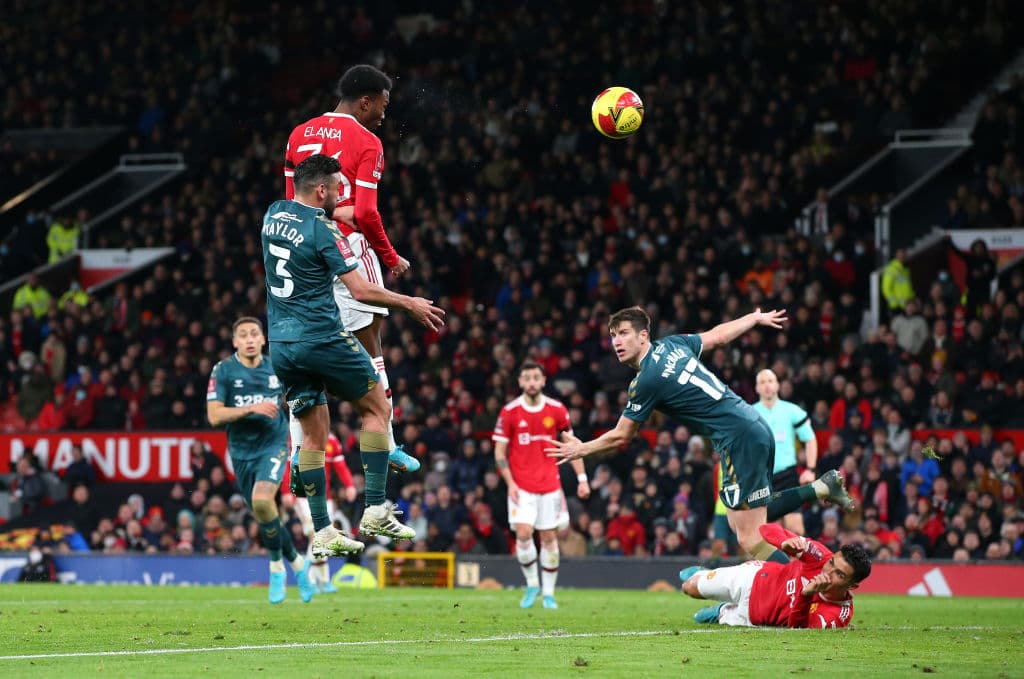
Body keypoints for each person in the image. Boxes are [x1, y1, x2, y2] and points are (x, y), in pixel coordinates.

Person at [547, 306, 854, 565]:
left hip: (737, 438)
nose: (617, 341)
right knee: (742, 519)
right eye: (613, 335)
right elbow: (718, 337)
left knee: (749, 535)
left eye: (624, 333)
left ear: (644, 335)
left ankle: (802, 586)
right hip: (753, 425)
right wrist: (752, 318)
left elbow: (622, 436)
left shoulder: (646, 380)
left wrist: (581, 449)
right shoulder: (672, 345)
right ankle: (820, 488)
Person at [261, 153, 444, 560]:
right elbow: (361, 291)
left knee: (313, 433)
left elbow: (313, 208)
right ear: (322, 190)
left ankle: (323, 531)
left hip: (283, 346)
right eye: (338, 189)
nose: (343, 195)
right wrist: (409, 302)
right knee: (377, 406)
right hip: (322, 339)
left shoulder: (272, 214)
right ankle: (376, 509)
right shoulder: (325, 232)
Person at [283, 64, 417, 477]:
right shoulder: (368, 141)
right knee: (371, 346)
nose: (383, 113)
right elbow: (366, 212)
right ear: (366, 100)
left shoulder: (298, 133)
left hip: (300, 252)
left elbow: (292, 207)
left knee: (305, 356)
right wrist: (391, 257)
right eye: (383, 105)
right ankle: (389, 444)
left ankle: (296, 450)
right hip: (346, 248)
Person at [206, 316, 315, 604]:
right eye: (243, 335)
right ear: (235, 342)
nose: (250, 339)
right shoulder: (224, 371)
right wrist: (251, 408)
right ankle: (297, 565)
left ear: (263, 339)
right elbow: (215, 416)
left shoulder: (276, 367)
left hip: (274, 444)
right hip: (241, 452)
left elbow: (296, 397)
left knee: (265, 501)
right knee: (265, 514)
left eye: (255, 334)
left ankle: (276, 568)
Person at [493, 360, 590, 610]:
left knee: (548, 537)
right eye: (527, 378)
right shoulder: (510, 412)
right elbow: (500, 453)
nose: (532, 382)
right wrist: (511, 484)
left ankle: (548, 594)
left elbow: (572, 446)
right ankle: (532, 585)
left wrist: (582, 479)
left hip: (550, 485)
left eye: (536, 377)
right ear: (520, 382)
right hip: (521, 486)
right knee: (524, 533)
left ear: (544, 380)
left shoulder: (557, 410)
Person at [679, 523, 872, 628]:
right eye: (831, 563)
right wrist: (784, 542)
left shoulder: (838, 614)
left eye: (839, 574)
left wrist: (805, 595)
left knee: (700, 619)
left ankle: (720, 611)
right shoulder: (819, 555)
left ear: (852, 586)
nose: (828, 572)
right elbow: (767, 529)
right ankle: (703, 574)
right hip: (753, 579)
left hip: (753, 618)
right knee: (689, 587)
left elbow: (798, 629)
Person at [287, 431, 358, 593]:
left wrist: (350, 485)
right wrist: (286, 492)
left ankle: (316, 580)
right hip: (303, 496)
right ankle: (309, 574)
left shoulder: (331, 440)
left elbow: (340, 466)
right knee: (315, 534)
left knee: (325, 536)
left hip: (325, 498)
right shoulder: (297, 439)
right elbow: (288, 467)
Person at [753, 369, 819, 535]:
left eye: (770, 381)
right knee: (771, 533)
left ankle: (798, 562)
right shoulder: (749, 413)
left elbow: (810, 439)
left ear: (777, 385)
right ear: (756, 388)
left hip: (787, 476)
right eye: (762, 382)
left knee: (795, 528)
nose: (767, 385)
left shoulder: (792, 410)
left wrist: (810, 469)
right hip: (761, 479)